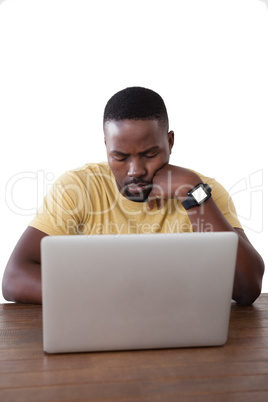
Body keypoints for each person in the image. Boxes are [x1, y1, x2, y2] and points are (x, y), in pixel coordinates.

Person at [2, 87, 264, 305]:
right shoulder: (78, 188)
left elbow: (246, 287)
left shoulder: (203, 191)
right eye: (120, 156)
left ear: (170, 142)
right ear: (106, 146)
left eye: (150, 154)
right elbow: (14, 278)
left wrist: (194, 194)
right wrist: (112, 296)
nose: (135, 170)